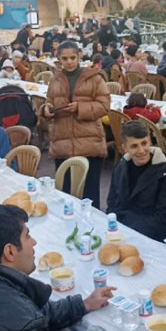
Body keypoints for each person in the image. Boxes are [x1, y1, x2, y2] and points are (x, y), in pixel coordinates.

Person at [40, 41, 109, 207]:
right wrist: (46, 110)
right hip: (62, 142)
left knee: (90, 195)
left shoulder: (94, 78)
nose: (69, 61)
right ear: (59, 59)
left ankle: (93, 229)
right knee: (65, 194)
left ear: (79, 56)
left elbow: (104, 106)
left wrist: (81, 107)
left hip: (89, 142)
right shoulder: (55, 80)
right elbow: (49, 101)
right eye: (65, 58)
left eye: (72, 57)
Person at [107, 121, 166, 241]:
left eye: (144, 143)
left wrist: (128, 231)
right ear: (124, 148)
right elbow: (112, 203)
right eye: (134, 146)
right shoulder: (120, 168)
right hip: (122, 231)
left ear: (150, 141)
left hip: (150, 236)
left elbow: (164, 218)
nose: (141, 151)